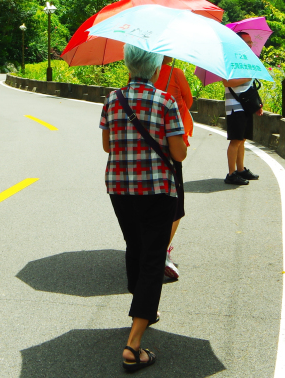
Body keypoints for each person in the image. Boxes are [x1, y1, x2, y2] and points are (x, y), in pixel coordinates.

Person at [101, 44, 188, 373]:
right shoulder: (165, 102)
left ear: (127, 66)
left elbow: (108, 145)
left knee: (135, 247)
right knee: (153, 257)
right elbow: (178, 154)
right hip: (156, 190)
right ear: (154, 69)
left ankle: (144, 309)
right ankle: (133, 345)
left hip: (119, 188)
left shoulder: (112, 99)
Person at [153, 56, 192, 281]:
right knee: (175, 202)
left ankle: (148, 248)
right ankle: (163, 250)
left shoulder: (138, 74)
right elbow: (188, 100)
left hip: (145, 142)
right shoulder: (176, 73)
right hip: (172, 140)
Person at [222, 32, 262, 185]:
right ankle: (231, 174)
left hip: (245, 105)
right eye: (246, 42)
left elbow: (250, 86)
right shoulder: (229, 60)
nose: (250, 44)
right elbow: (227, 82)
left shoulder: (246, 60)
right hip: (234, 107)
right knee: (235, 140)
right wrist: (249, 76)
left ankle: (240, 170)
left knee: (242, 139)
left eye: (250, 42)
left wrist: (257, 104)